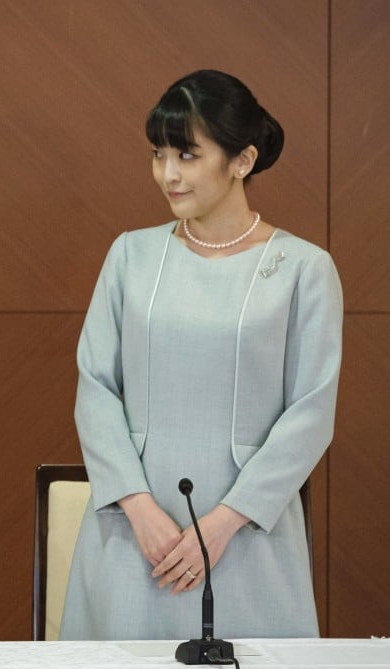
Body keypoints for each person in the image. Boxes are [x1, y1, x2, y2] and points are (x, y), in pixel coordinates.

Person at [60, 69, 341, 639]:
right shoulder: (129, 256)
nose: (168, 173)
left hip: (247, 538)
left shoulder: (304, 270)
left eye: (187, 154)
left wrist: (220, 525)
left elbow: (311, 413)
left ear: (241, 160)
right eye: (159, 154)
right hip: (132, 535)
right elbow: (95, 385)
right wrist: (140, 510)